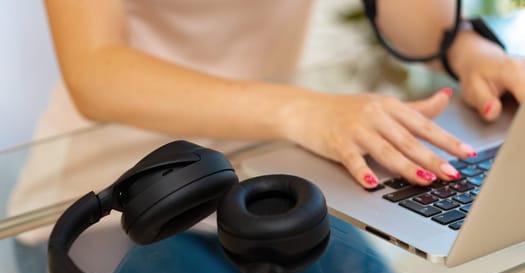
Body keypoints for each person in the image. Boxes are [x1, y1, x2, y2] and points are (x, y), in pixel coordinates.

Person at [41, 0, 524, 189]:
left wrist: (471, 51)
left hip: (260, 174)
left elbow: (410, 24)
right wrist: (304, 109)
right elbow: (94, 71)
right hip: (115, 192)